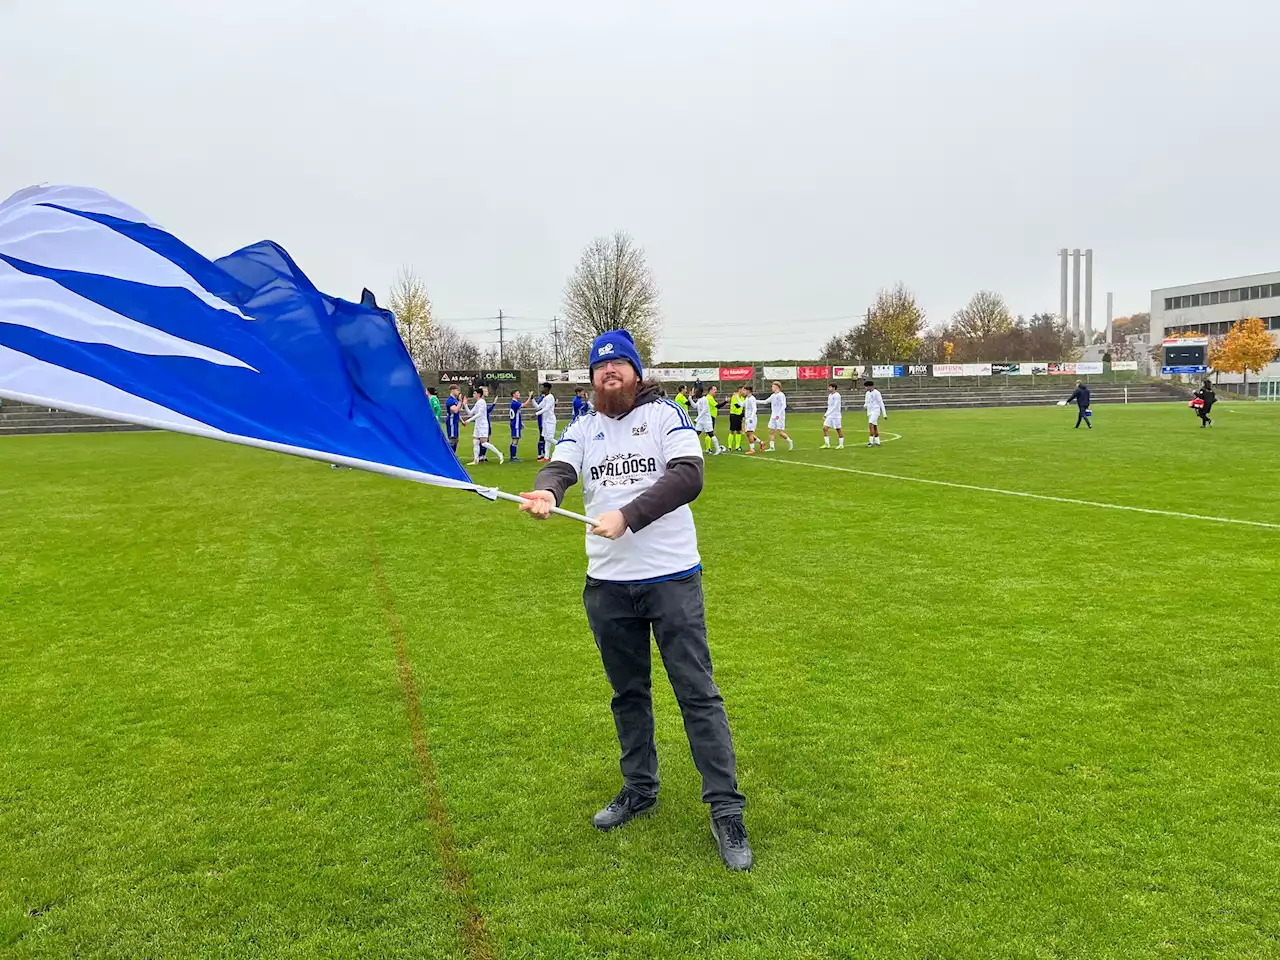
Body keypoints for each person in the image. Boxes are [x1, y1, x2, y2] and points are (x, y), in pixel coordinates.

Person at [518, 329, 752, 871]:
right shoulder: (583, 427)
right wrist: (548, 490)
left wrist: (628, 516)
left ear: (636, 372)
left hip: (671, 580)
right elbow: (561, 467)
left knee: (697, 695)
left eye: (619, 365)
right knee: (628, 695)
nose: (609, 374)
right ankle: (639, 788)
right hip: (608, 587)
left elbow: (689, 476)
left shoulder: (666, 417)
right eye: (600, 369)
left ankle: (726, 810)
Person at [464, 386, 504, 464]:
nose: (473, 394)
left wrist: (468, 421)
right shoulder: (477, 403)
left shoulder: (482, 402)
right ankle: (476, 460)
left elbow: (480, 413)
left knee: (484, 443)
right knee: (475, 442)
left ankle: (499, 454)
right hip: (477, 425)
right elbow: (470, 413)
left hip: (483, 425)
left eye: (475, 393)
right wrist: (465, 404)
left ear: (479, 394)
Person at [693, 387, 723, 456]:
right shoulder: (699, 400)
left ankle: (717, 449)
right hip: (700, 421)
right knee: (696, 434)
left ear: (700, 392)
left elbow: (704, 410)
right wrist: (690, 398)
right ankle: (694, 449)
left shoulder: (705, 399)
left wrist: (697, 419)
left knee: (710, 434)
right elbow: (694, 406)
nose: (695, 393)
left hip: (706, 420)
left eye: (696, 392)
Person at [532, 383, 557, 462]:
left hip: (550, 421)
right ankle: (546, 457)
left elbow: (546, 408)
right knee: (546, 439)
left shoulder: (550, 397)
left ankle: (562, 446)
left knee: (549, 438)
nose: (541, 389)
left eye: (542, 388)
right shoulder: (545, 398)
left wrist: (536, 414)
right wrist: (532, 399)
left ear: (547, 389)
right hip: (545, 421)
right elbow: (538, 407)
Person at [765, 381, 793, 452]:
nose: (772, 388)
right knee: (771, 431)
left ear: (777, 387)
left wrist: (779, 414)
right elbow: (765, 401)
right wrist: (754, 400)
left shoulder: (781, 395)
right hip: (773, 415)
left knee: (780, 432)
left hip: (779, 416)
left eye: (773, 386)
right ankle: (772, 447)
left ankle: (790, 441)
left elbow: (784, 405)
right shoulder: (773, 395)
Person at [863, 380, 887, 446]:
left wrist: (884, 414)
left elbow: (881, 403)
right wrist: (865, 405)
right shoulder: (867, 393)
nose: (865, 388)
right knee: (875, 426)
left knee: (870, 424)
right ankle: (877, 441)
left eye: (866, 386)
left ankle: (870, 441)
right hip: (870, 411)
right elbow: (866, 401)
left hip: (875, 411)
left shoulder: (877, 393)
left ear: (870, 386)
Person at [508, 389, 530, 461]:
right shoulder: (514, 403)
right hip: (515, 424)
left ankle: (513, 456)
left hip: (515, 423)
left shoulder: (514, 403)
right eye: (517, 393)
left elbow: (517, 414)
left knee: (515, 439)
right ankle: (513, 457)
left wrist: (521, 423)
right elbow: (525, 405)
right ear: (514, 395)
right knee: (515, 439)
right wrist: (529, 397)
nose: (519, 394)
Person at [742, 385, 765, 454]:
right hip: (747, 418)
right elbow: (741, 405)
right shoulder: (747, 398)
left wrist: (751, 418)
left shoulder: (752, 398)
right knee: (748, 434)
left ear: (748, 391)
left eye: (745, 390)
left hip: (751, 419)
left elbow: (755, 409)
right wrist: (736, 397)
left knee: (749, 434)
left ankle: (752, 449)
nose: (744, 392)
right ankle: (761, 442)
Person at [822, 382, 844, 449]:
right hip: (830, 415)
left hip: (836, 415)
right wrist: (827, 414)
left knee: (838, 429)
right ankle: (827, 444)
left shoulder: (837, 395)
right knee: (825, 428)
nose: (829, 388)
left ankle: (841, 445)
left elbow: (835, 406)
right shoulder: (830, 395)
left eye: (830, 387)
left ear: (834, 388)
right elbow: (829, 406)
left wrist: (826, 414)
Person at [443, 384, 463, 454]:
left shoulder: (455, 400)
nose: (458, 392)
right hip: (451, 423)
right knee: (452, 439)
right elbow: (455, 410)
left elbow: (457, 413)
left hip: (455, 422)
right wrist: (460, 401)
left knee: (456, 439)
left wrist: (462, 421)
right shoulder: (450, 400)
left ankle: (453, 455)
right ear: (453, 390)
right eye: (457, 390)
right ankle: (449, 455)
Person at [727, 387, 745, 452]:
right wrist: (742, 404)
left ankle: (737, 446)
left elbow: (742, 408)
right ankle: (729, 446)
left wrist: (742, 416)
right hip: (733, 415)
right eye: (743, 390)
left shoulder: (742, 398)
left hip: (739, 415)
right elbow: (737, 405)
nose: (744, 392)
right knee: (732, 431)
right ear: (740, 390)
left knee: (739, 431)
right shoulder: (734, 397)